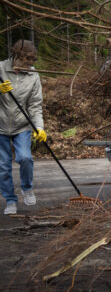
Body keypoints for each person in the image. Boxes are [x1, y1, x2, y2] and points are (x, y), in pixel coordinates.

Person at [0, 40, 47, 215]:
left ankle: (27, 188)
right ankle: (10, 201)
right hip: (1, 126)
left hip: (22, 125)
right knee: (3, 166)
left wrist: (39, 127)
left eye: (31, 63)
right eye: (25, 62)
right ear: (16, 56)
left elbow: (35, 105)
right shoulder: (1, 69)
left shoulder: (33, 76)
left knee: (25, 158)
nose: (28, 66)